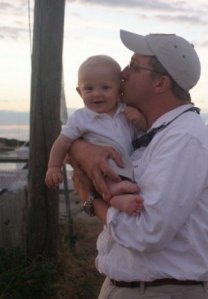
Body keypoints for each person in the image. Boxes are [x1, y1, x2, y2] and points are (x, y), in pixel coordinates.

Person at [69, 30, 208, 299]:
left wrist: (90, 199)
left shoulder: (185, 140)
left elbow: (147, 232)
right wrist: (79, 147)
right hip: (133, 288)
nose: (122, 74)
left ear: (161, 83)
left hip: (158, 291)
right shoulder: (151, 134)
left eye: (133, 66)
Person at [45, 55, 147, 215]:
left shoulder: (126, 112)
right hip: (101, 171)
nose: (96, 94)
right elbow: (62, 142)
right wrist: (53, 167)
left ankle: (118, 197)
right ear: (80, 92)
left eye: (105, 87)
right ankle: (114, 196)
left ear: (119, 90)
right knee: (102, 170)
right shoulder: (81, 118)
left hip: (127, 167)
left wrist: (140, 120)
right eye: (89, 89)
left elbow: (143, 134)